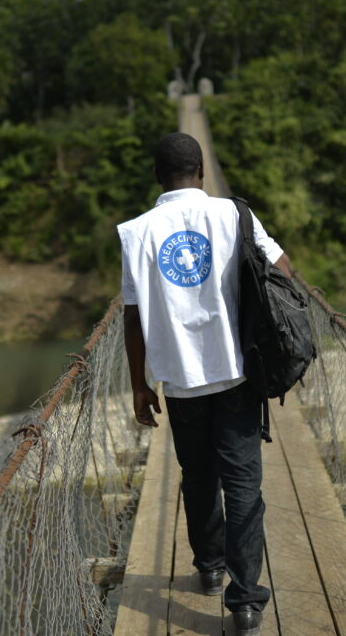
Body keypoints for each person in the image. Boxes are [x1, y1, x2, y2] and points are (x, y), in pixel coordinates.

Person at [117, 132, 292, 636]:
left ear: (157, 178)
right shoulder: (233, 214)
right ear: (202, 173)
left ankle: (210, 568)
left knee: (197, 477)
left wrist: (139, 385)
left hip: (180, 380)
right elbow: (283, 269)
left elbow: (132, 317)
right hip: (236, 370)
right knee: (242, 485)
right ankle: (245, 603)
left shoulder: (137, 232)